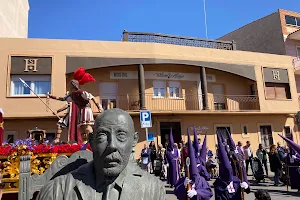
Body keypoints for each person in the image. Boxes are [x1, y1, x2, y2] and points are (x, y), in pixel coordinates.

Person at [37, 108, 166, 200]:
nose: (112, 146)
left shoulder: (153, 190)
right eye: (103, 135)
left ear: (134, 140)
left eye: (121, 135)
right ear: (91, 141)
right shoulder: (58, 191)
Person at [48, 67, 103, 144]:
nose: (69, 87)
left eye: (70, 85)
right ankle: (85, 142)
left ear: (74, 86)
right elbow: (62, 99)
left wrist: (99, 107)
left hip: (86, 109)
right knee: (81, 128)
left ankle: (94, 140)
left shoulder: (82, 92)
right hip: (81, 111)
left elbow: (92, 98)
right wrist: (51, 97)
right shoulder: (72, 95)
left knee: (87, 126)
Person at [174, 128, 213, 200]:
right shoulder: (184, 180)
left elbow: (209, 193)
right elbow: (176, 192)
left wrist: (197, 192)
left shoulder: (202, 181)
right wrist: (183, 185)